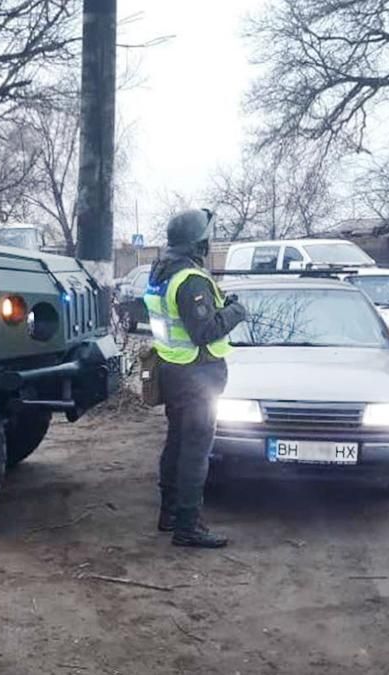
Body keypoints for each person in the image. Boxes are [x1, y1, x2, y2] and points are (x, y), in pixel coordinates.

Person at [143, 209, 247, 548]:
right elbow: (205, 331)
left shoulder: (162, 272)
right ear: (199, 242)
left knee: (177, 442)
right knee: (195, 451)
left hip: (174, 370)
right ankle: (188, 526)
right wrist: (235, 310)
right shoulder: (190, 279)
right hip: (196, 374)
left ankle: (170, 514)